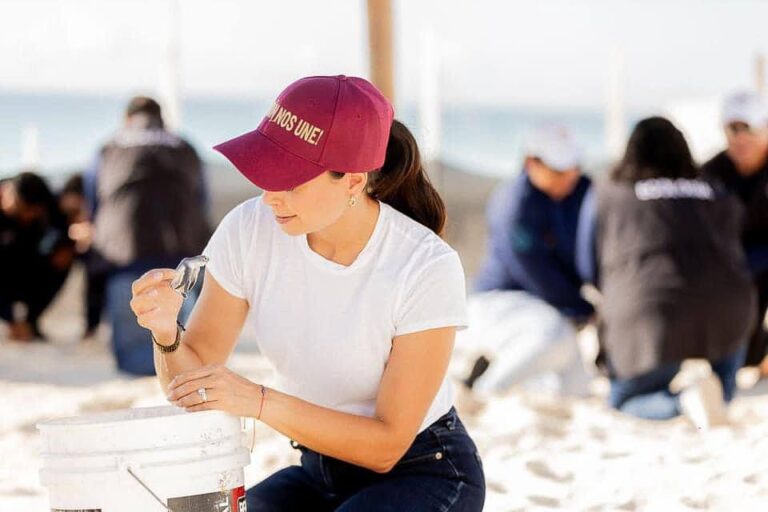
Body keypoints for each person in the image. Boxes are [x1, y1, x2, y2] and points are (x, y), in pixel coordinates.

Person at [129, 75, 485, 511]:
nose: (271, 197)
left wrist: (258, 401)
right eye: (264, 172)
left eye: (290, 181)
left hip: (423, 470)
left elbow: (386, 445)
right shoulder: (248, 230)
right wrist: (167, 331)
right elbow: (191, 383)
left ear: (354, 181)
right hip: (318, 472)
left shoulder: (425, 264)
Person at [594, 117, 755, 427]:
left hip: (655, 311)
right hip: (729, 309)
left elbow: (589, 262)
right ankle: (718, 391)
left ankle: (681, 403)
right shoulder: (716, 190)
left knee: (625, 400)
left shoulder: (611, 191)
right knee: (720, 390)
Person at [461, 125, 594, 396]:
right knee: (553, 337)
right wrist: (581, 307)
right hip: (502, 301)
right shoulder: (514, 204)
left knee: (577, 386)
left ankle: (488, 372)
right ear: (531, 163)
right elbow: (532, 269)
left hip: (551, 304)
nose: (570, 176)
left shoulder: (581, 190)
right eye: (560, 170)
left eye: (574, 166)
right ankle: (487, 389)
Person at [88, 96, 211, 374]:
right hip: (179, 250)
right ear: (162, 118)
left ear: (127, 119)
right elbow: (202, 199)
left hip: (122, 250)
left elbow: (94, 198)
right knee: (181, 346)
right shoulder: (185, 146)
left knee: (133, 355)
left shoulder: (109, 147)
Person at [701, 91, 768, 375]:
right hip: (730, 265)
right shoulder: (710, 174)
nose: (740, 138)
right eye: (733, 128)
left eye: (748, 128)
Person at [0, 171, 74, 341]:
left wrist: (64, 246)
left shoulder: (50, 205)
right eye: (22, 209)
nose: (27, 216)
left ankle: (30, 322)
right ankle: (15, 324)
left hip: (31, 268)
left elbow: (63, 234)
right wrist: (11, 320)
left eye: (32, 212)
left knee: (64, 258)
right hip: (3, 274)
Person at [58, 173, 107, 338]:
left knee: (95, 287)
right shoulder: (63, 213)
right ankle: (91, 326)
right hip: (84, 257)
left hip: (100, 257)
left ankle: (92, 326)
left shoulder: (99, 208)